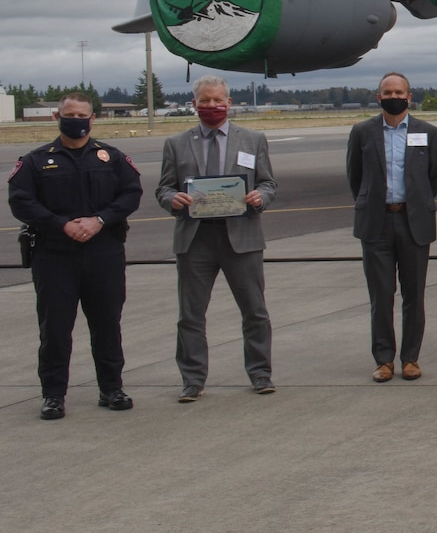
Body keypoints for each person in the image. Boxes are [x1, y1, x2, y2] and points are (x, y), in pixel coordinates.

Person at [8, 94, 143, 420]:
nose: (76, 119)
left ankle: (111, 388)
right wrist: (61, 224)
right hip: (55, 256)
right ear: (58, 115)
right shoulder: (36, 161)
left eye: (82, 115)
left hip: (104, 253)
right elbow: (20, 201)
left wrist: (99, 220)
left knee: (107, 325)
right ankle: (53, 395)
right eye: (70, 114)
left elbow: (132, 194)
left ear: (92, 118)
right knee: (54, 329)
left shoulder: (111, 158)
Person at [157, 75, 279, 400]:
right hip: (196, 240)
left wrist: (259, 198)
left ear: (229, 102)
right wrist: (172, 200)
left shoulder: (253, 139)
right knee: (190, 315)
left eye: (217, 100)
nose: (212, 106)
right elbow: (164, 187)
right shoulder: (176, 143)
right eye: (205, 101)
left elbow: (268, 184)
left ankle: (260, 374)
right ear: (194, 104)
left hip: (241, 238)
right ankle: (193, 380)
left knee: (255, 311)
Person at [345, 72, 437, 381]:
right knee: (381, 295)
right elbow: (355, 177)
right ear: (378, 97)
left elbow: (435, 176)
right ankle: (384, 360)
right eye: (387, 92)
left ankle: (411, 359)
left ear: (409, 96)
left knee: (414, 295)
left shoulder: (427, 132)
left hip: (413, 222)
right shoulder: (362, 132)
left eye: (398, 91)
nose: (393, 96)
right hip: (376, 222)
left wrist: (414, 203)